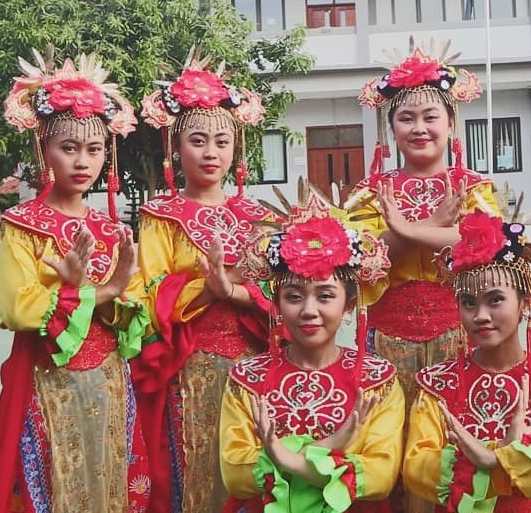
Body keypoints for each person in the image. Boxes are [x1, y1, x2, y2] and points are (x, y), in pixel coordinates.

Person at [0, 50, 151, 512]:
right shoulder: (23, 225)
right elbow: (18, 306)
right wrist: (98, 291)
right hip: (48, 381)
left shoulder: (111, 230)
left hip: (110, 381)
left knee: (109, 481)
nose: (82, 161)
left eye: (94, 150)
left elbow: (137, 309)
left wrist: (111, 294)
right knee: (56, 484)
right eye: (69, 148)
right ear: (44, 150)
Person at [133, 50, 278, 513]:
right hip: (189, 365)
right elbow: (152, 290)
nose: (211, 152)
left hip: (256, 362)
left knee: (254, 467)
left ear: (236, 147)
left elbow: (284, 291)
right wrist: (206, 289)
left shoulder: (259, 216)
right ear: (176, 148)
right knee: (196, 469)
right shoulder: (162, 216)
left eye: (221, 141)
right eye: (197, 141)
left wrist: (237, 291)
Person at [403, 210, 531, 511]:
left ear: (526, 303)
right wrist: (499, 454)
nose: (481, 316)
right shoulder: (438, 386)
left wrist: (500, 459)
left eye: (495, 299)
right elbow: (417, 464)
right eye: (468, 302)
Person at [219, 186, 405, 512]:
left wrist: (284, 457)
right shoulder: (247, 379)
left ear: (349, 304)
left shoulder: (377, 380)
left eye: (325, 296)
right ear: (277, 303)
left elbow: (380, 476)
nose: (308, 310)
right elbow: (235, 474)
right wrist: (332, 448)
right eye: (294, 296)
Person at [348, 39, 497, 407]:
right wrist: (434, 224)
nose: (419, 128)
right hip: (387, 335)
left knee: (454, 424)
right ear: (391, 127)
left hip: (461, 330)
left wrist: (407, 230)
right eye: (406, 118)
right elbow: (362, 258)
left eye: (430, 117)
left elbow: (488, 246)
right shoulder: (369, 192)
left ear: (451, 122)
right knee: (388, 427)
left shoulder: (473, 187)